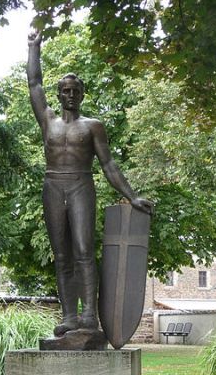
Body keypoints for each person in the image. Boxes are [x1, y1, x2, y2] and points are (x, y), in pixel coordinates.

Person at [27, 31, 153, 337]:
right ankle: (69, 315)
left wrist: (132, 196)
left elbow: (108, 164)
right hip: (53, 186)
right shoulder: (48, 120)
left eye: (76, 90)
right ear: (59, 95)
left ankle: (89, 315)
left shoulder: (93, 126)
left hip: (81, 185)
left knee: (84, 250)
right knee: (62, 254)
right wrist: (33, 48)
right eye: (66, 91)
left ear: (82, 94)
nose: (70, 95)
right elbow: (34, 83)